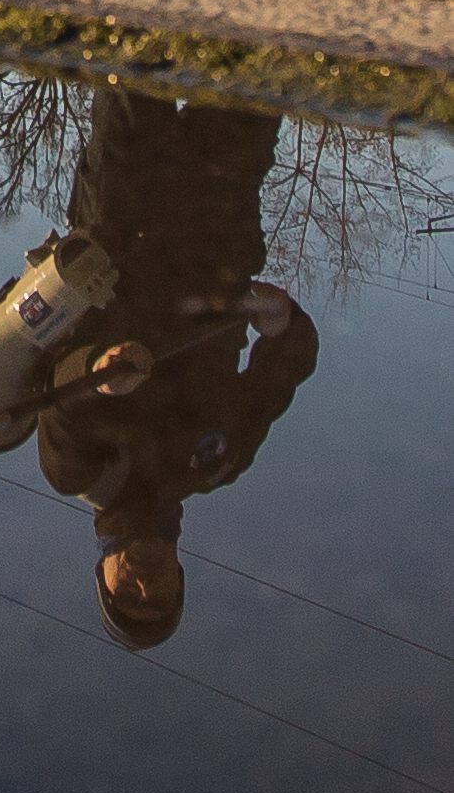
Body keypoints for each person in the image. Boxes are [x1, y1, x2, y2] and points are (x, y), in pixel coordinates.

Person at [37, 89, 319, 650]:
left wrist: (99, 369)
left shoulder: (76, 473)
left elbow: (56, 394)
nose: (146, 583)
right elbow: (278, 379)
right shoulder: (218, 463)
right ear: (180, 579)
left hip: (123, 216)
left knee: (136, 59)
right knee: (258, 64)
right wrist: (284, 323)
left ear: (105, 574)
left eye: (129, 594)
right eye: (159, 597)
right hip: (219, 220)